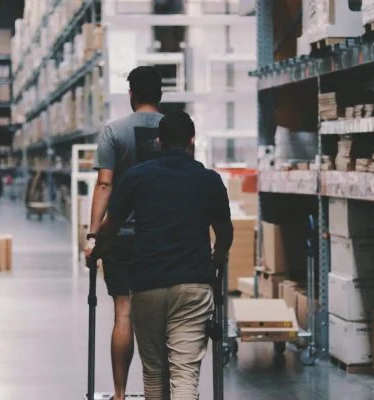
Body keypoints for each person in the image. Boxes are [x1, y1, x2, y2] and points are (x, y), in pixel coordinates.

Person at [91, 111, 234, 400]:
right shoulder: (209, 180)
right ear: (192, 141)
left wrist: (96, 249)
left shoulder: (136, 177)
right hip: (193, 284)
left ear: (159, 141)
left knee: (155, 374)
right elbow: (225, 232)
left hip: (147, 284)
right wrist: (217, 257)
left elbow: (111, 226)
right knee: (184, 375)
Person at [85, 66, 165, 400]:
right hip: (161, 236)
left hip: (120, 235)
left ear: (131, 93)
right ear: (160, 94)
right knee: (160, 316)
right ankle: (158, 392)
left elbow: (105, 183)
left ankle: (119, 394)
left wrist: (93, 237)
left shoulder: (114, 131)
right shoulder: (173, 129)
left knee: (124, 312)